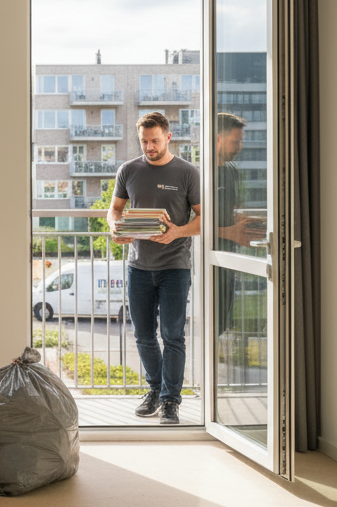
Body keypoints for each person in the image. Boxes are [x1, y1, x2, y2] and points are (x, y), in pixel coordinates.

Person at [109, 111, 201, 425]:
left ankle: (171, 402)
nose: (149, 147)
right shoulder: (128, 169)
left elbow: (203, 220)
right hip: (138, 267)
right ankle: (156, 390)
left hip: (175, 267)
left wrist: (176, 231)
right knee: (143, 336)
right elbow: (115, 210)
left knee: (173, 335)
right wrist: (115, 229)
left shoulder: (188, 172)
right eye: (144, 141)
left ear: (168, 137)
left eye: (155, 141)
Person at [215, 112, 255, 333]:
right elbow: (190, 223)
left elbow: (230, 212)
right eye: (235, 141)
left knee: (223, 323)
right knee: (212, 321)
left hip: (228, 257)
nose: (239, 147)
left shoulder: (232, 172)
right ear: (218, 138)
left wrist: (247, 223)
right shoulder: (201, 174)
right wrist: (232, 232)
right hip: (208, 260)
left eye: (241, 141)